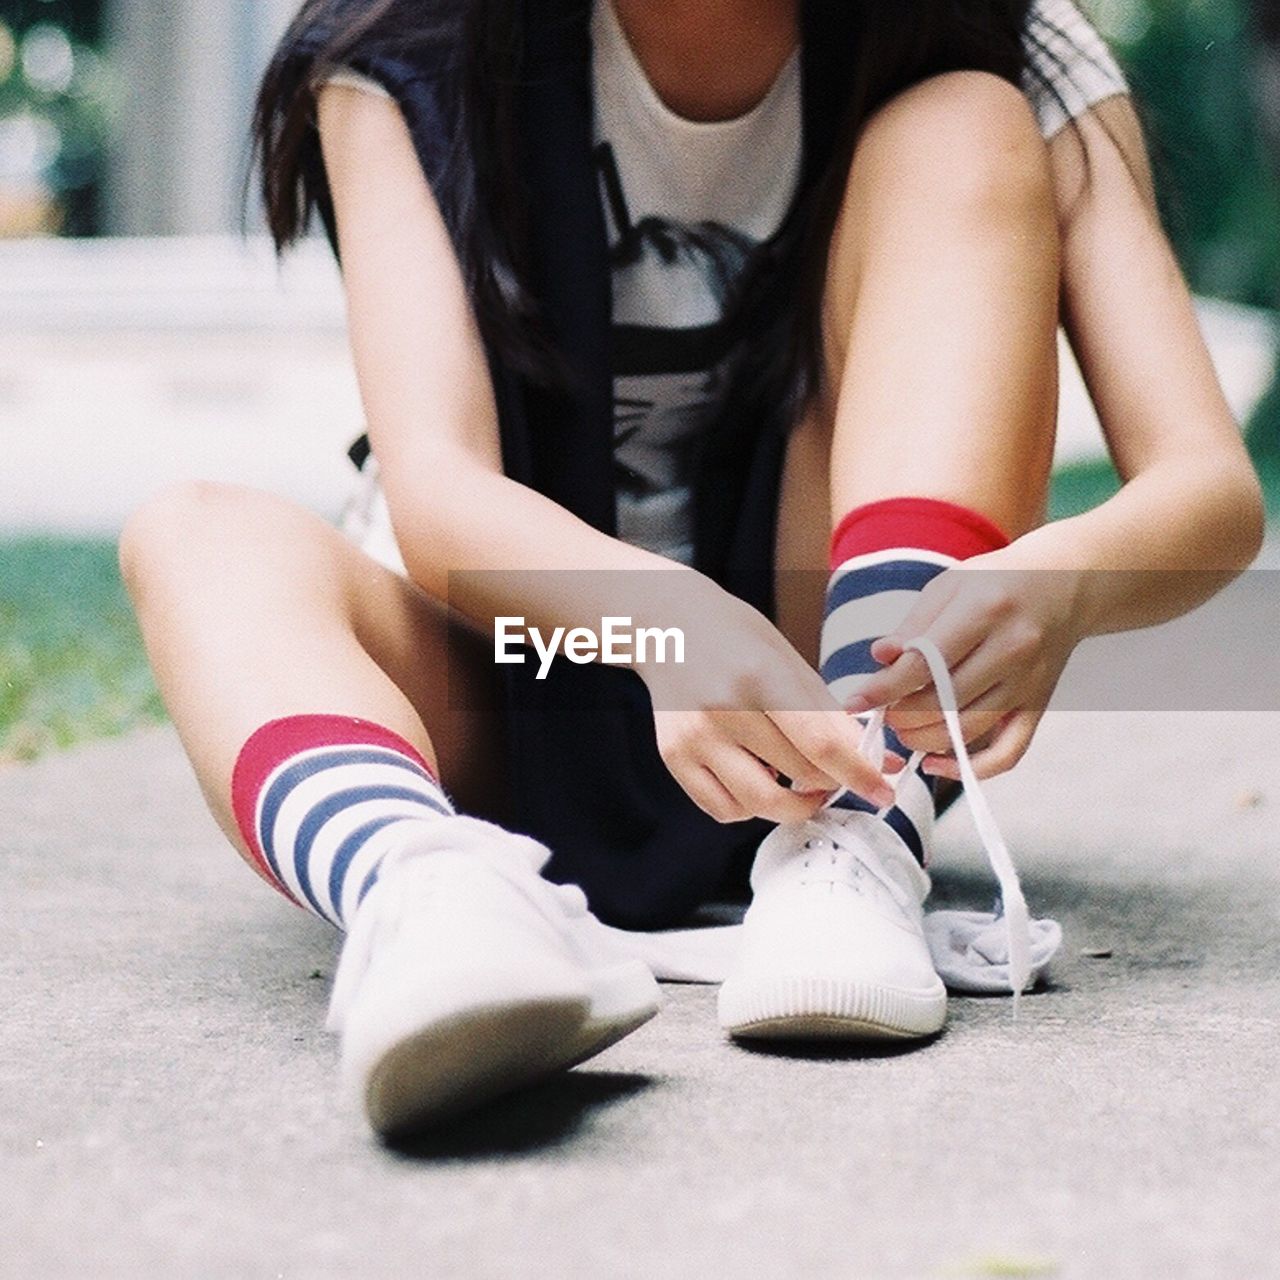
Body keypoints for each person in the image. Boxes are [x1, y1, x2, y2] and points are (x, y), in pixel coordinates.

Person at [119, 0, 1263, 1139]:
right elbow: (437, 495)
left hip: (827, 693)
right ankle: (429, 893)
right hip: (518, 667)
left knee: (961, 122)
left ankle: (850, 847)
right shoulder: (409, 42)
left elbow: (1204, 485)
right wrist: (662, 623)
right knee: (196, 534)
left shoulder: (996, 32)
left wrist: (1067, 579)